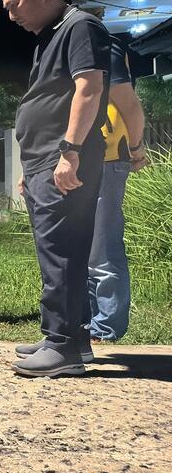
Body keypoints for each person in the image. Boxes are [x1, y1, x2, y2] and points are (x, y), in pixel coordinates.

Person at [0, 0, 110, 377]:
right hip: (46, 158)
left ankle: (61, 343)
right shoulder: (50, 36)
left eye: (15, 5)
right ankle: (71, 339)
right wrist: (33, 164)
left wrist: (69, 152)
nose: (12, 16)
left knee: (59, 248)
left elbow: (90, 88)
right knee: (64, 248)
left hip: (62, 156)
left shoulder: (79, 26)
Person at [86, 36, 149, 341]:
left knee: (102, 248)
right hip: (81, 159)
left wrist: (135, 149)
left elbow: (130, 106)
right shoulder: (69, 49)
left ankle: (106, 327)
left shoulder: (102, 46)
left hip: (107, 157)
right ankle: (90, 322)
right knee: (85, 250)